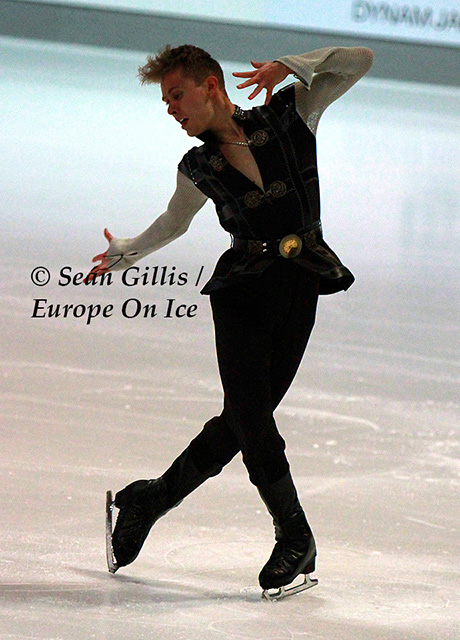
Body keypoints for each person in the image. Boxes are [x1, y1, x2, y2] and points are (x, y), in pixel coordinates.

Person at [88, 42, 374, 598]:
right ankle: (295, 535)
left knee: (244, 420)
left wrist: (291, 65)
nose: (171, 109)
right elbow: (175, 222)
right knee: (251, 416)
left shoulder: (291, 112)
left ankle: (149, 500)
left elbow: (360, 59)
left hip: (302, 281)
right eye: (166, 102)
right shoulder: (197, 166)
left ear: (211, 86)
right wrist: (129, 250)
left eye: (177, 95)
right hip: (242, 291)